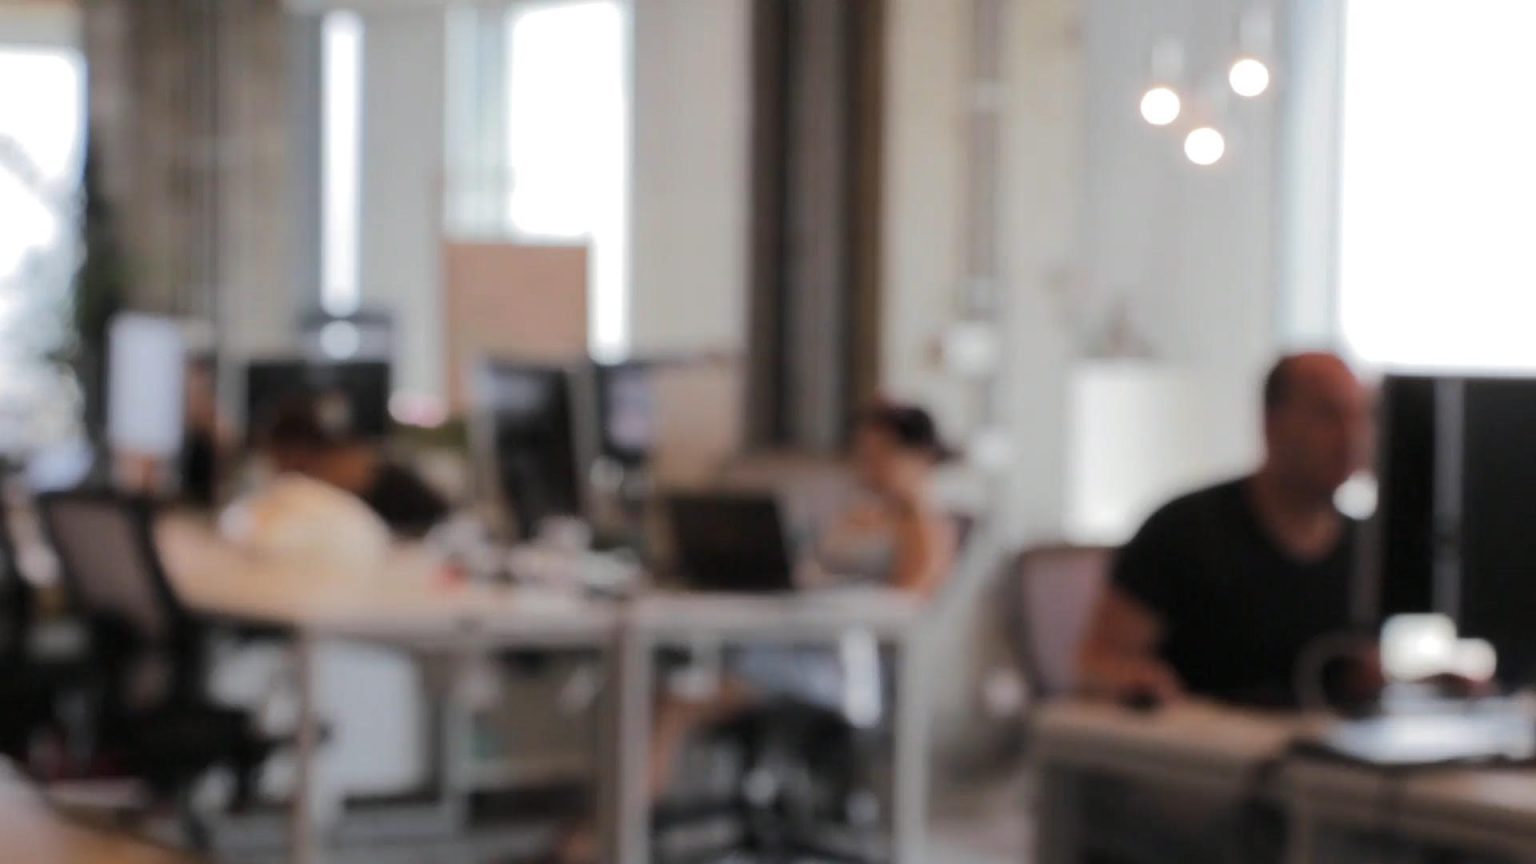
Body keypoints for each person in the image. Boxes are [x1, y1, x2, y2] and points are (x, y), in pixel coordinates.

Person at [1077, 352, 1375, 708]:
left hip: (1325, 741)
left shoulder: (1368, 551)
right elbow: (1096, 662)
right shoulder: (1183, 531)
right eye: (1328, 414)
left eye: (1361, 416)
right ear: (1271, 422)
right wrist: (1138, 684)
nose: (1351, 436)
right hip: (1199, 739)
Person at [262, 399, 449, 537]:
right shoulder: (338, 460)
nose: (275, 466)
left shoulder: (337, 470)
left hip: (420, 533)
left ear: (294, 449)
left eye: (277, 455)